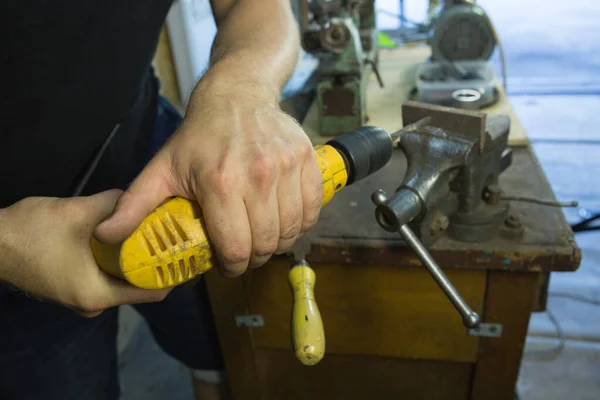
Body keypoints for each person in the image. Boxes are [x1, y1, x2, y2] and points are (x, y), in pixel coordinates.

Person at [0, 1, 323, 399]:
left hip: (147, 149)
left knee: (226, 343)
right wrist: (8, 245)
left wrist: (237, 90)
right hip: (19, 242)